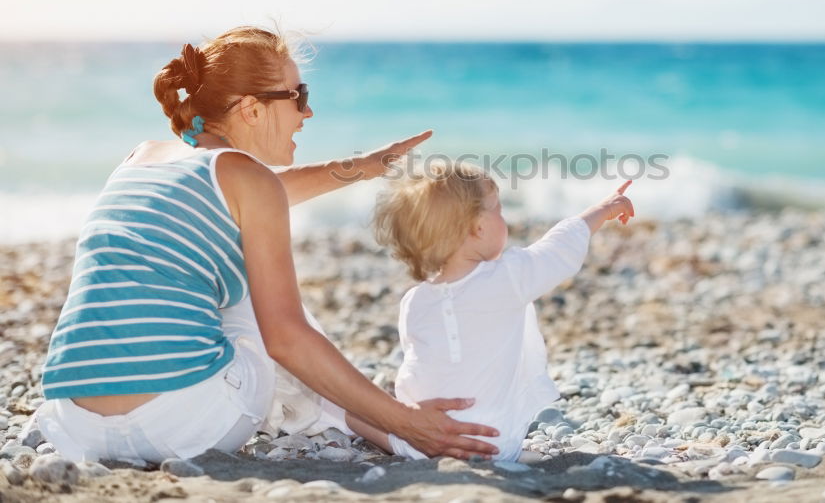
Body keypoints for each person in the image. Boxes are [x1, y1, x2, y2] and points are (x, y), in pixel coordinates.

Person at [31, 26, 499, 463]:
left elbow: (256, 194)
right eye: (298, 96)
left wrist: (366, 166)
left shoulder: (142, 158)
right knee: (262, 309)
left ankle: (370, 420)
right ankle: (392, 428)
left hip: (76, 426)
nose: (307, 112)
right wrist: (410, 423)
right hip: (181, 425)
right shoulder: (248, 181)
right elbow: (287, 339)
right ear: (252, 110)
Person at [345, 160, 634, 461]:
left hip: (422, 440)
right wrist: (603, 210)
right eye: (498, 209)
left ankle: (355, 425)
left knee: (350, 410)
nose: (503, 217)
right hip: (496, 444)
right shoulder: (508, 276)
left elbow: (416, 370)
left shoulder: (414, 301)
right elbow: (558, 248)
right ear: (477, 227)